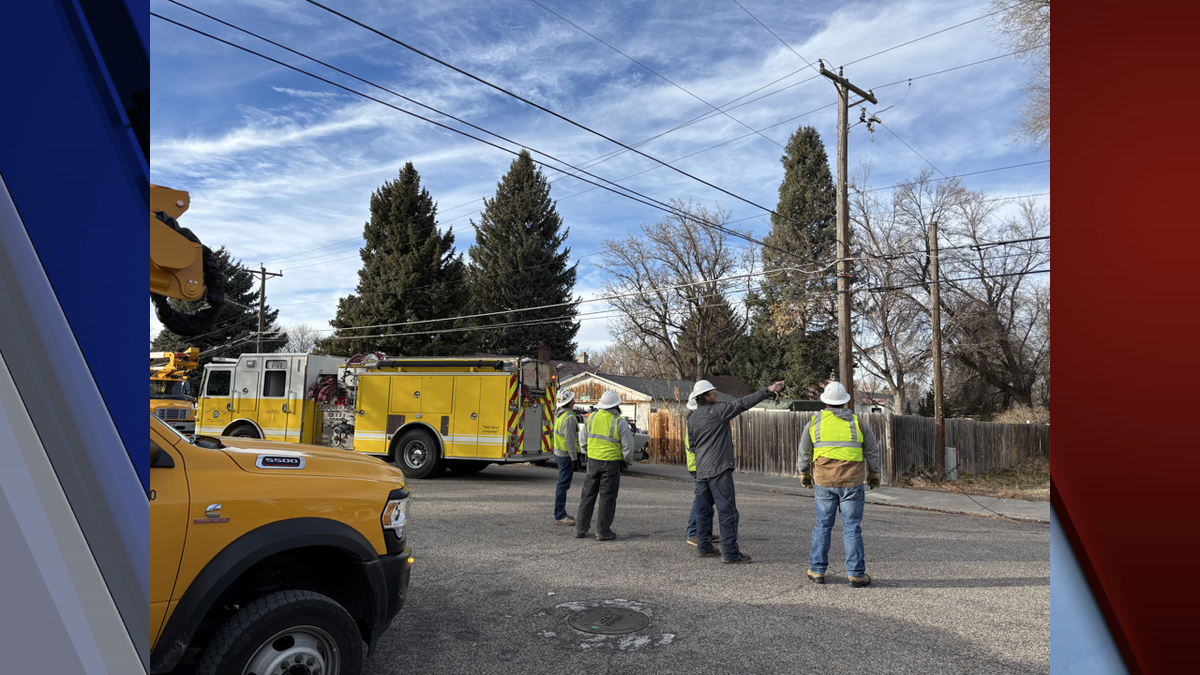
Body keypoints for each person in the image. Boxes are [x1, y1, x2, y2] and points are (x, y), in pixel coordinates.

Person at [688, 378, 785, 563]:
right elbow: (743, 403)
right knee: (727, 511)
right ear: (705, 396)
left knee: (703, 510)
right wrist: (769, 390)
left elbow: (692, 445)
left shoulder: (692, 418)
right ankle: (730, 553)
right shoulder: (718, 411)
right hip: (719, 469)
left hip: (701, 470)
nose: (716, 393)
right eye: (713, 392)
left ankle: (704, 547)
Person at [797, 381, 882, 588]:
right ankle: (856, 574)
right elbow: (871, 451)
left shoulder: (814, 423)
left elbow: (804, 451)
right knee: (852, 527)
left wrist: (804, 472)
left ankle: (817, 570)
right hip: (852, 482)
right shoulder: (859, 423)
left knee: (823, 526)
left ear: (825, 402)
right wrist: (874, 473)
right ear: (845, 402)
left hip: (824, 482)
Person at [574, 390, 634, 541]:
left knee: (587, 495)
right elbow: (628, 447)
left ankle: (580, 528)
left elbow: (583, 439)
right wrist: (627, 461)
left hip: (593, 461)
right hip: (611, 464)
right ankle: (603, 532)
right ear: (617, 405)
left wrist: (588, 451)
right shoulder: (620, 422)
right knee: (607, 498)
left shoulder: (592, 418)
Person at [683, 398, 720, 548]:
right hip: (698, 466)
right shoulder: (697, 423)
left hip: (699, 465)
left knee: (706, 500)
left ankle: (704, 532)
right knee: (701, 500)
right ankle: (693, 533)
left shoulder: (694, 421)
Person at [552, 389, 582, 526]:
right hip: (565, 455)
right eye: (572, 398)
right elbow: (570, 440)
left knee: (562, 485)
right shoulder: (569, 418)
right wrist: (574, 458)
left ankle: (561, 512)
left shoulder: (559, 415)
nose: (574, 400)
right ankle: (560, 515)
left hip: (559, 453)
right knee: (563, 485)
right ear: (569, 401)